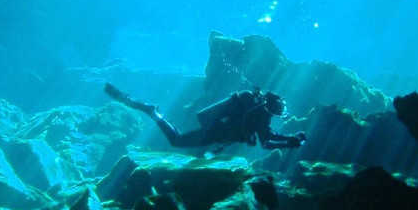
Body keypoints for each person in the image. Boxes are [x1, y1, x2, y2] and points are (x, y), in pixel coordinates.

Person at [104, 83, 306, 150]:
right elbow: (266, 143)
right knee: (177, 142)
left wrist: (290, 139)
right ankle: (152, 112)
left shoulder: (259, 111)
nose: (279, 114)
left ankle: (152, 111)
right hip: (217, 131)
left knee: (179, 140)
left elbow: (267, 136)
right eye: (279, 110)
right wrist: (290, 142)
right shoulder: (260, 114)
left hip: (218, 129)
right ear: (272, 108)